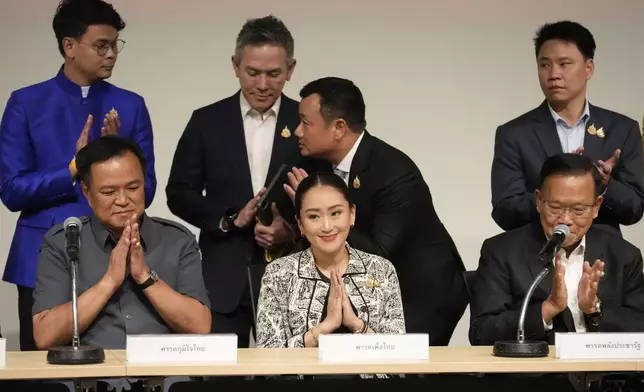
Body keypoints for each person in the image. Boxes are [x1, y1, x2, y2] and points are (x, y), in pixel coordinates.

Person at [0, 0, 156, 351]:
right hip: (42, 253)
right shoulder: (26, 103)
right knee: (43, 372)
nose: (112, 53)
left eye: (115, 44)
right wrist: (74, 167)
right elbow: (11, 190)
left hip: (115, 251)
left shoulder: (131, 104)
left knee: (120, 362)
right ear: (69, 46)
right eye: (101, 45)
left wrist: (115, 156)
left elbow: (146, 187)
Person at [166, 15, 320, 348]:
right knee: (219, 377)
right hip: (223, 278)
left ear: (291, 69)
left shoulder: (308, 122)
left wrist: (292, 232)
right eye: (253, 72)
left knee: (288, 377)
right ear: (235, 66)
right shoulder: (207, 121)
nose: (262, 84)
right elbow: (178, 192)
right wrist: (229, 218)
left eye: (274, 74)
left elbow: (326, 196)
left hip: (293, 274)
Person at [284, 77, 467, 346]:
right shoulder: (319, 167)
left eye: (306, 123)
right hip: (371, 292)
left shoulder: (393, 172)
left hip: (422, 295)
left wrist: (320, 206)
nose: (298, 131)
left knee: (400, 374)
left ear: (338, 128)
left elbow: (378, 254)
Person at [470, 153, 644, 346]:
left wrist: (594, 310)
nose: (566, 219)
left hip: (606, 374)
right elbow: (481, 332)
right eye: (555, 207)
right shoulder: (501, 252)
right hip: (537, 374)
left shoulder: (624, 256)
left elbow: (639, 328)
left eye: (578, 209)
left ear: (596, 207)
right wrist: (546, 310)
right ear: (538, 201)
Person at [491, 20, 644, 236]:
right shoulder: (514, 134)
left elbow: (634, 209)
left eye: (564, 64)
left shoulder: (622, 129)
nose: (553, 74)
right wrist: (554, 193)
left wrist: (604, 184)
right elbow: (505, 211)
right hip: (537, 256)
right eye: (545, 65)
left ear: (588, 68)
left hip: (603, 260)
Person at [256, 172, 404, 352]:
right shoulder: (279, 273)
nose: (327, 226)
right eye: (313, 217)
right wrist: (323, 329)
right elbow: (267, 356)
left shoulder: (381, 270)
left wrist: (356, 324)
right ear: (300, 224)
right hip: (303, 380)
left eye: (335, 213)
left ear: (352, 214)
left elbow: (398, 352)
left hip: (369, 380)